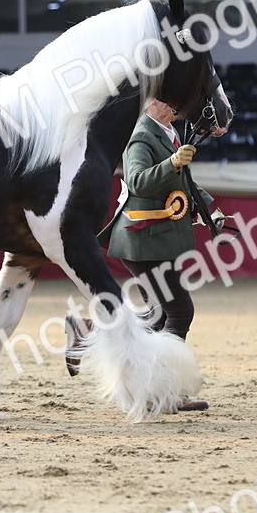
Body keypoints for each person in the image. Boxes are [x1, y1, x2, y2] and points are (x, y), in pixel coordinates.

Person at [65, 98, 227, 411]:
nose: (175, 105)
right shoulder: (141, 136)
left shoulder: (168, 132)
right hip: (143, 239)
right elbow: (138, 181)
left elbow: (182, 183)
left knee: (157, 315)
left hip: (156, 239)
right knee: (179, 312)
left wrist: (210, 209)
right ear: (151, 103)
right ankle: (165, 391)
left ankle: (88, 330)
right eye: (167, 99)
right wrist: (173, 163)